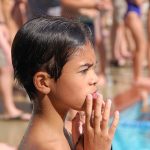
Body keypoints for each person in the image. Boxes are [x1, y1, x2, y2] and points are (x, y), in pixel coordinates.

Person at [11, 16, 119, 150]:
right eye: (84, 70)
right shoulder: (49, 146)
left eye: (93, 68)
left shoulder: (66, 130)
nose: (95, 79)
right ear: (43, 82)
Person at [0, 0, 30, 120]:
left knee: (8, 66)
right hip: (3, 27)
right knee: (6, 67)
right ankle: (9, 109)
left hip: (10, 27)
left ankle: (10, 106)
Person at [124, 0, 147, 84]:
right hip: (132, 14)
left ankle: (137, 76)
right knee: (141, 45)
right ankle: (138, 77)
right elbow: (138, 1)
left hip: (133, 14)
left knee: (138, 46)